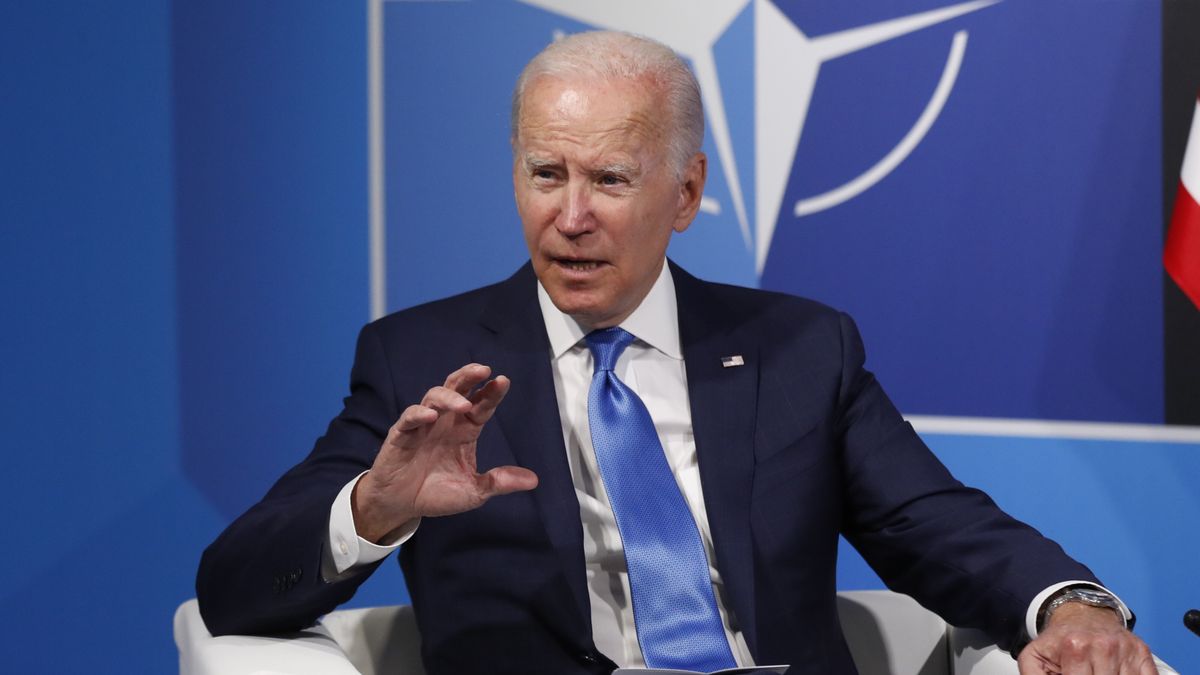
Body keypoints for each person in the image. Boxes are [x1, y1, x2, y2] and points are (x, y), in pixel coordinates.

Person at [197, 30, 1158, 674]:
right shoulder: (423, 357)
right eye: (544, 174)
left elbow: (935, 523)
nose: (569, 217)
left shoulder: (797, 348)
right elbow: (233, 583)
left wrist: (1068, 605)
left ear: (688, 193)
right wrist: (375, 507)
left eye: (610, 178)